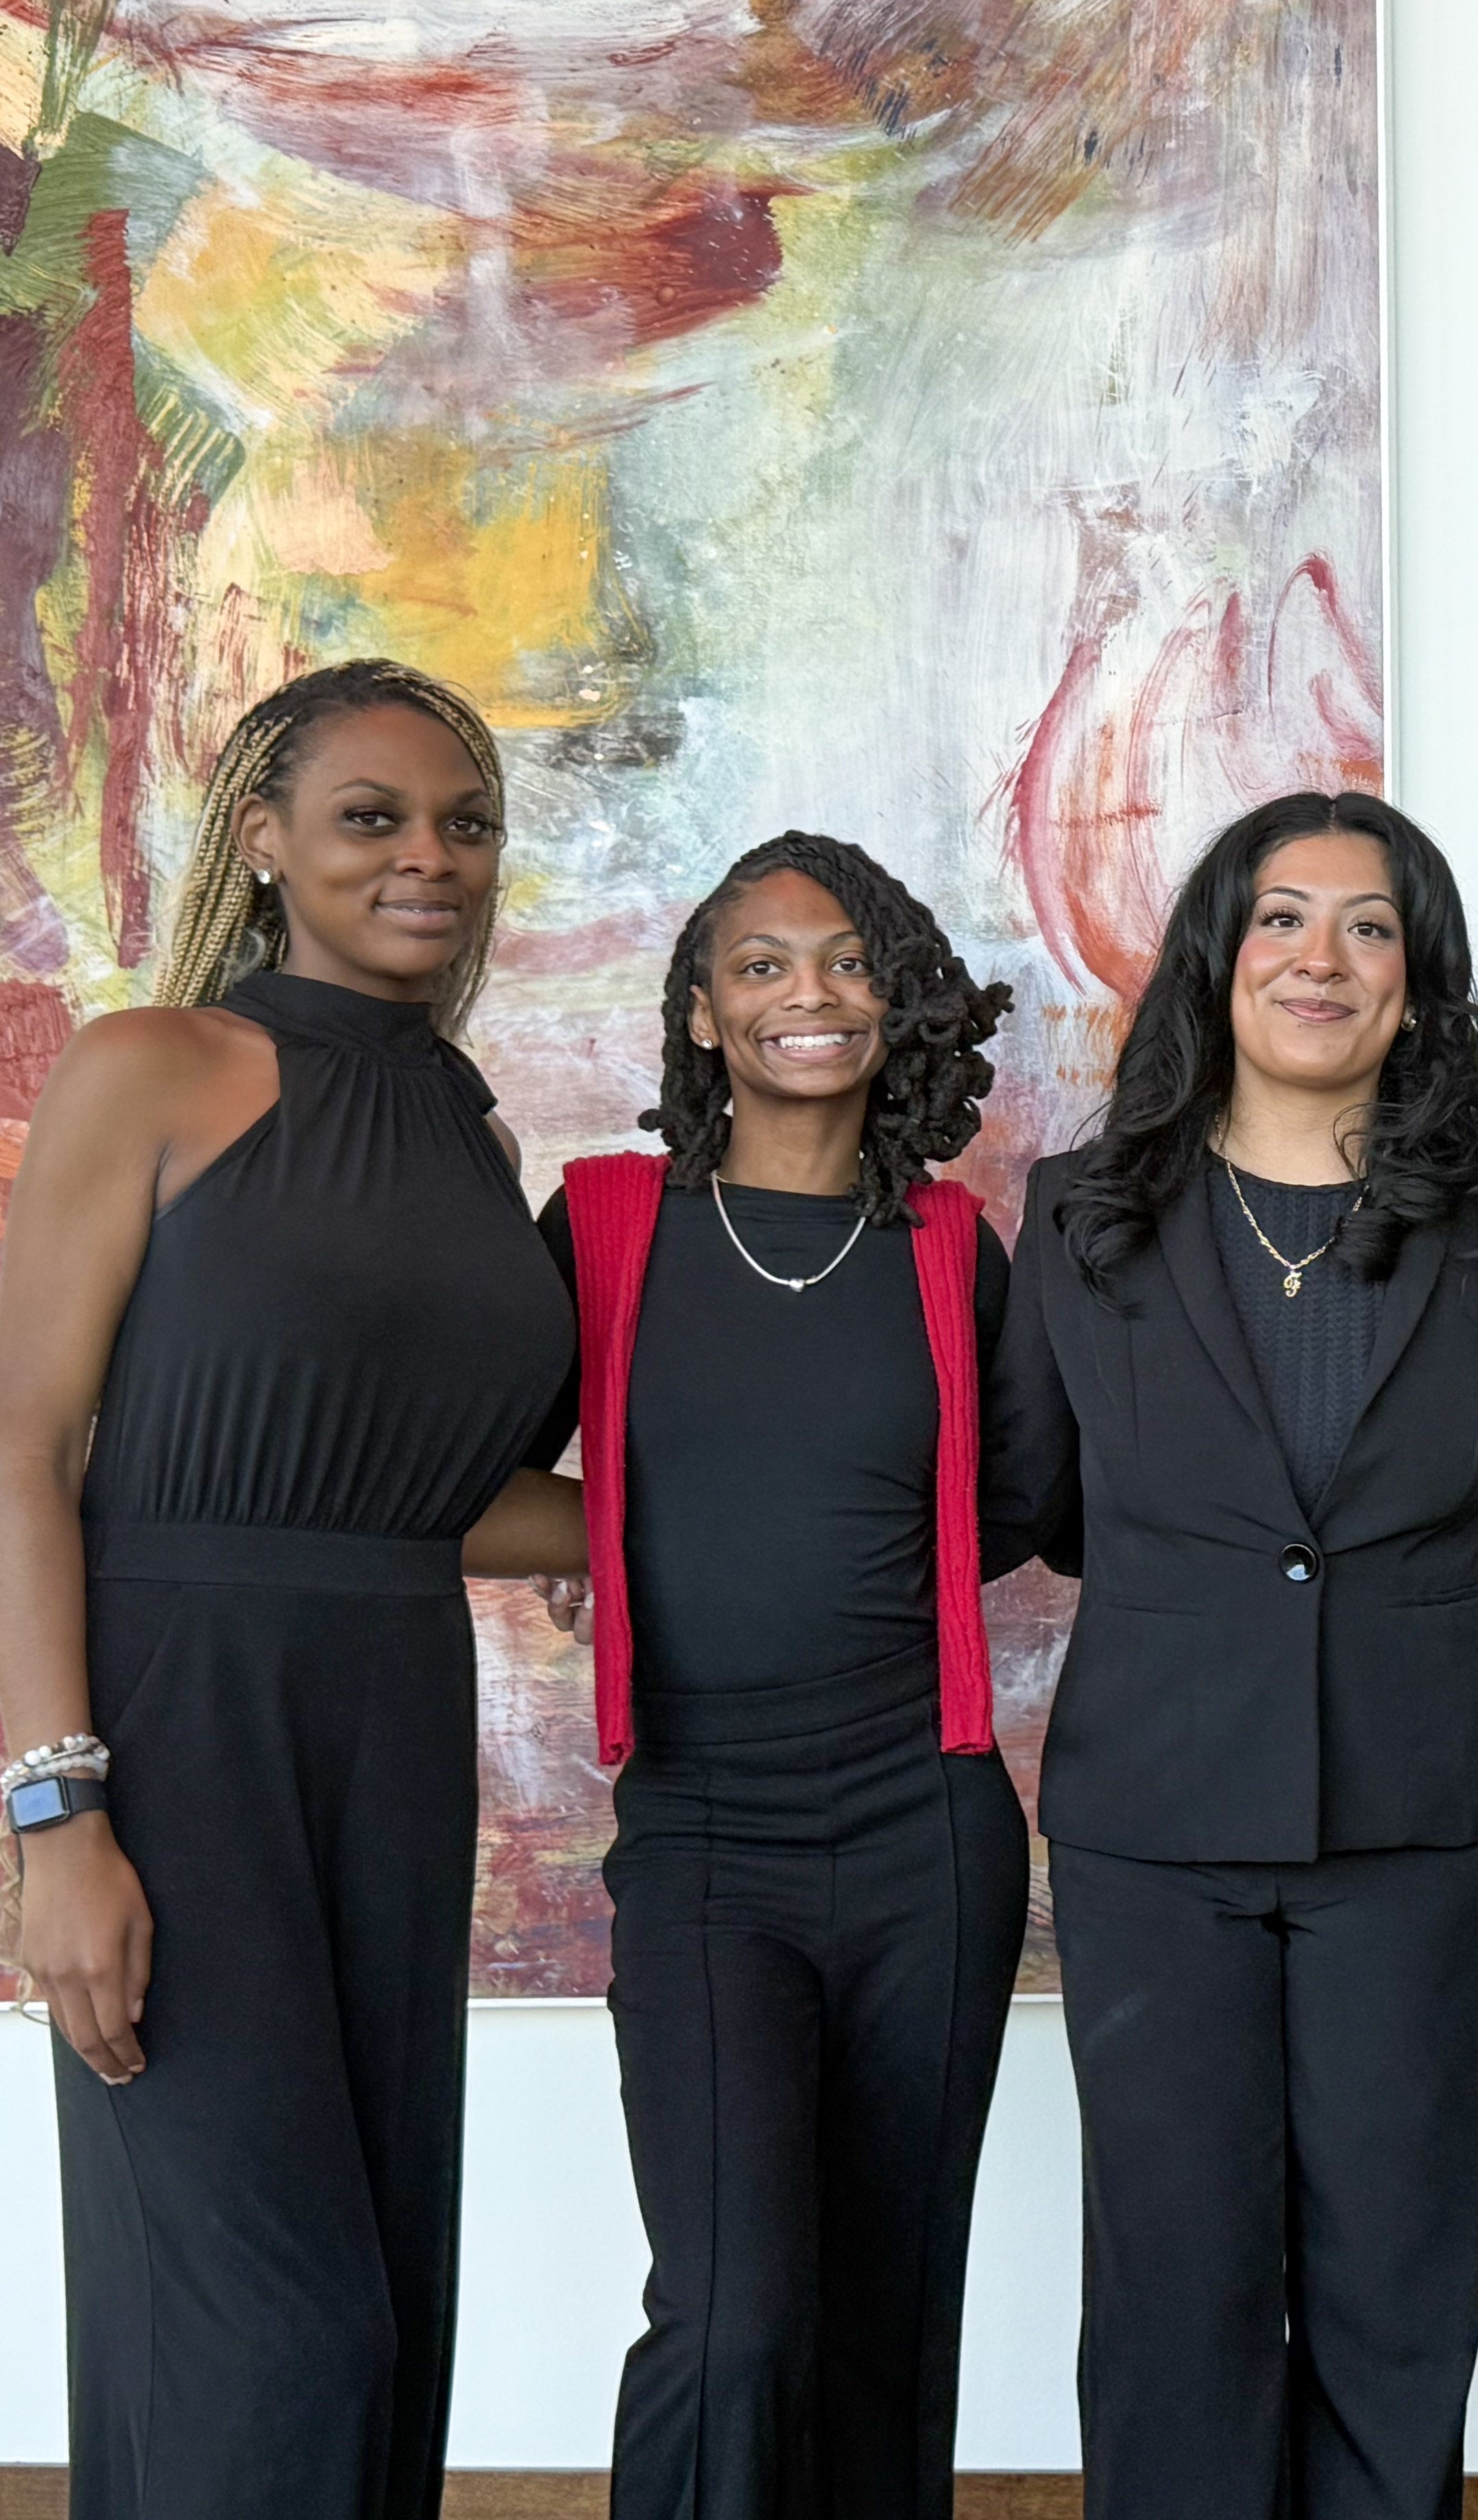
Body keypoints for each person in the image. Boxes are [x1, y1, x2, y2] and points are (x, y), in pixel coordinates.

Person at [0, 660, 582, 2520]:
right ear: (264, 841)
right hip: (174, 1728)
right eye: (373, 817)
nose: (430, 857)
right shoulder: (147, 1068)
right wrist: (52, 1813)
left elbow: (410, 1492)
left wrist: (762, 1514)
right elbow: (21, 1449)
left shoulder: (474, 1141)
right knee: (281, 2334)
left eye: (465, 822)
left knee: (386, 2314)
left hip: (392, 1730)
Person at [984, 792, 1478, 2520]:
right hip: (1154, 1821)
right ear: (1215, 958)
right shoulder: (1084, 1210)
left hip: (1416, 1818)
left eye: (1369, 926)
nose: (1319, 957)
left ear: (1418, 980)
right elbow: (1034, 1497)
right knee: (1173, 2279)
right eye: (1279, 919)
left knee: (1398, 2271)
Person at [526, 832, 1028, 2519]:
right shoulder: (602, 1221)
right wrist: (618, 1550)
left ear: (895, 1001)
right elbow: (460, 1468)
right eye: (760, 963)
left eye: (844, 960)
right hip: (704, 1834)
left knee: (887, 2317)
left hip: (926, 1831)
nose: (806, 993)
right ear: (697, 1010)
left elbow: (1016, 1501)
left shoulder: (955, 1247)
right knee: (734, 2312)